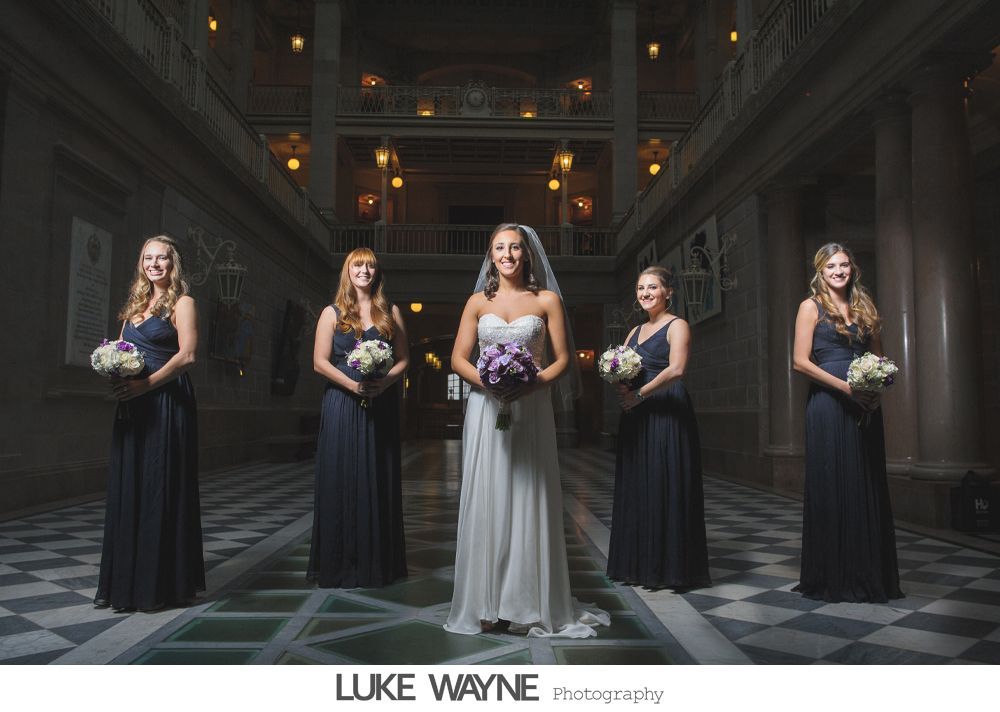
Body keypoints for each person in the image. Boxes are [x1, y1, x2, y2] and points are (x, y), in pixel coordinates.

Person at [444, 223, 609, 637]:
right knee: (488, 496)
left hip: (532, 407)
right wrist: (491, 383)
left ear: (527, 254)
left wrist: (530, 383)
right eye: (499, 247)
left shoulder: (547, 300)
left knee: (527, 495)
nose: (508, 254)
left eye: (515, 247)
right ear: (491, 255)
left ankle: (527, 603)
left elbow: (562, 360)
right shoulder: (477, 302)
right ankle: (484, 602)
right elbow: (459, 359)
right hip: (487, 409)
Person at [95, 235, 204, 612]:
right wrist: (117, 375)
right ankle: (125, 582)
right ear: (141, 264)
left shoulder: (183, 303)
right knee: (131, 486)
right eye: (148, 258)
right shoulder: (133, 307)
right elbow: (122, 350)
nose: (155, 264)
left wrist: (146, 386)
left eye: (162, 258)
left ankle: (161, 585)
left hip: (166, 403)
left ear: (173, 264)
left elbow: (188, 355)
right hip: (133, 405)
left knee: (161, 485)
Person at [792, 243, 902, 602]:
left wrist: (874, 388)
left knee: (865, 480)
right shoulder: (810, 307)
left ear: (852, 268)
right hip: (828, 403)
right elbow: (800, 362)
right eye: (831, 267)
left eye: (844, 265)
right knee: (832, 479)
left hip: (864, 404)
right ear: (820, 272)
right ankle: (833, 575)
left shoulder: (865, 307)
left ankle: (868, 573)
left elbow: (880, 357)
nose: (838, 271)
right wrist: (846, 387)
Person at [307, 247, 409, 588]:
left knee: (377, 475)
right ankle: (339, 563)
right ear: (347, 272)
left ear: (377, 272)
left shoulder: (389, 311)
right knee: (341, 474)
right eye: (357, 266)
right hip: (341, 401)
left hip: (380, 402)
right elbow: (320, 362)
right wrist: (353, 385)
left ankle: (378, 562)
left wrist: (384, 383)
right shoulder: (331, 313)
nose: (363, 271)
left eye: (369, 266)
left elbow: (404, 360)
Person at [606, 266, 710, 591]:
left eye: (653, 287)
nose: (646, 293)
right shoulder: (633, 332)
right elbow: (621, 367)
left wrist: (639, 394)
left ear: (668, 292)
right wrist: (622, 386)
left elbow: (676, 369)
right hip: (637, 415)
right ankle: (638, 565)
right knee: (639, 484)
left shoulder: (677, 326)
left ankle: (670, 569)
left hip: (667, 411)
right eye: (641, 288)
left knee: (667, 481)